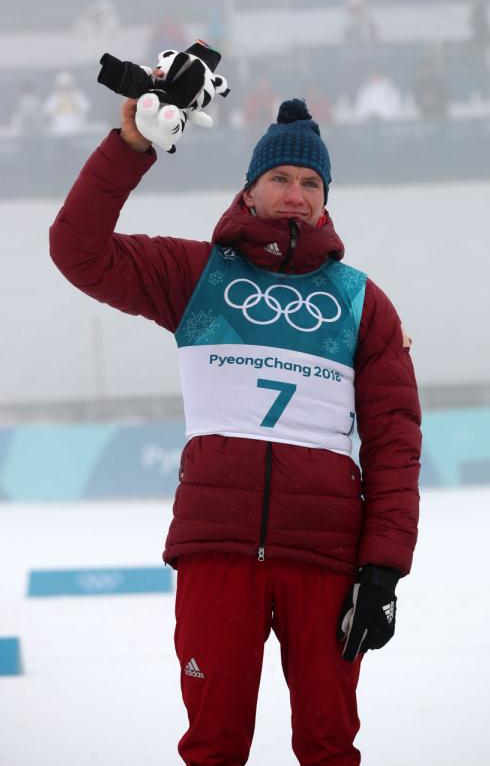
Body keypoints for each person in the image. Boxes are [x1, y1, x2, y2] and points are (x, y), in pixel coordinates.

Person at [49, 92, 421, 764]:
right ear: (249, 189)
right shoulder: (197, 276)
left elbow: (395, 440)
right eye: (280, 178)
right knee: (214, 745)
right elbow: (77, 250)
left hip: (326, 560)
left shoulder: (363, 302)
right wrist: (131, 145)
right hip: (216, 550)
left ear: (326, 199)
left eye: (311, 183)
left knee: (329, 745)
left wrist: (383, 571)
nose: (296, 194)